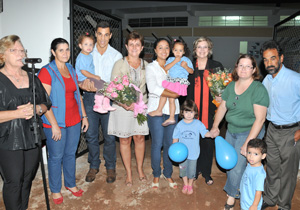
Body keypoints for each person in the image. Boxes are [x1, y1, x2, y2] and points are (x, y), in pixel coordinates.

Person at [210, 54, 269, 210]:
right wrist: (216, 126)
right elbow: (223, 107)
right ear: (236, 67)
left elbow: (260, 119)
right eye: (240, 65)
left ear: (254, 69)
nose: (243, 69)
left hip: (250, 131)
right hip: (231, 131)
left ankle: (231, 199)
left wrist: (247, 143)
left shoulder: (258, 89)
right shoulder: (231, 86)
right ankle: (238, 189)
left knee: (236, 167)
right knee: (229, 165)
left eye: (247, 66)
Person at [0, 35, 51, 209]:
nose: (20, 53)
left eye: (22, 50)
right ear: (2, 55)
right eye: (13, 50)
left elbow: (46, 103)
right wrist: (16, 113)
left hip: (31, 134)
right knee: (14, 180)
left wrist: (37, 109)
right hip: (7, 139)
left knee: (28, 178)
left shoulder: (32, 77)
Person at [38, 38, 89, 204]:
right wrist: (54, 125)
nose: (65, 53)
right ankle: (55, 189)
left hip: (74, 118)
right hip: (55, 121)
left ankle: (70, 184)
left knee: (70, 154)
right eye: (61, 50)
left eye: (67, 49)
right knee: (55, 156)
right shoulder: (47, 71)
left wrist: (84, 116)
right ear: (53, 52)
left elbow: (77, 95)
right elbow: (44, 103)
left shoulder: (70, 68)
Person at [260, 40, 300, 210]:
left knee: (288, 172)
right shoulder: (266, 80)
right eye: (266, 60)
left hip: (291, 132)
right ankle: (270, 198)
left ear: (281, 58)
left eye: (273, 58)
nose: (269, 63)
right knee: (272, 168)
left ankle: (284, 205)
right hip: (272, 130)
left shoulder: (295, 79)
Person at [82, 21, 122, 183]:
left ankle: (110, 167)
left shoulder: (116, 56)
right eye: (100, 34)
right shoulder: (86, 53)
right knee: (91, 135)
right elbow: (78, 75)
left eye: (106, 34)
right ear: (95, 34)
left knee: (109, 136)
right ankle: (94, 165)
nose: (103, 38)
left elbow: (118, 82)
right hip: (90, 98)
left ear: (110, 36)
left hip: (109, 98)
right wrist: (81, 83)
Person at [107, 31, 148, 186]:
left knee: (139, 137)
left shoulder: (146, 65)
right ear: (126, 46)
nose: (134, 47)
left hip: (140, 105)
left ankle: (140, 169)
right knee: (125, 139)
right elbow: (112, 88)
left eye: (137, 44)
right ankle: (129, 174)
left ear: (142, 47)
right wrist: (124, 103)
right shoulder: (119, 63)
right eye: (131, 44)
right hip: (122, 107)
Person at [187, 36, 224, 185]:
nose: (202, 50)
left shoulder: (216, 66)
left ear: (209, 50)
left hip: (210, 111)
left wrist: (222, 96)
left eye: (205, 47)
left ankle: (207, 173)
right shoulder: (189, 67)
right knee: (193, 142)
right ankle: (195, 171)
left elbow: (222, 87)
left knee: (208, 143)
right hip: (192, 112)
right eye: (199, 47)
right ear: (195, 50)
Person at [146, 38, 179, 189]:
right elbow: (153, 88)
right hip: (156, 110)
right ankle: (156, 174)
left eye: (167, 48)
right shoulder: (151, 67)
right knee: (157, 144)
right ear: (155, 50)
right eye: (160, 47)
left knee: (169, 144)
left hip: (172, 110)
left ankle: (168, 173)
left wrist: (177, 91)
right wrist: (173, 93)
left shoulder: (174, 65)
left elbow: (181, 82)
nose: (164, 50)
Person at [149, 40, 193, 126]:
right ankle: (159, 110)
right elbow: (165, 68)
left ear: (184, 52)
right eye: (176, 50)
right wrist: (175, 61)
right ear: (173, 50)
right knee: (164, 94)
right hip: (172, 81)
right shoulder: (171, 59)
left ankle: (171, 117)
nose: (178, 53)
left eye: (180, 51)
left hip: (180, 82)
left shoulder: (186, 60)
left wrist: (186, 66)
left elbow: (191, 71)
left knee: (171, 99)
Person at [173, 100, 212, 195]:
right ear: (182, 112)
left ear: (195, 112)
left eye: (191, 112)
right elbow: (175, 138)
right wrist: (174, 149)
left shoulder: (198, 123)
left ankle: (190, 184)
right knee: (183, 171)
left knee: (191, 172)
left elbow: (204, 133)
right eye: (186, 112)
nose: (189, 114)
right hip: (182, 155)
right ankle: (185, 184)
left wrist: (211, 134)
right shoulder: (180, 125)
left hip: (194, 153)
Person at [75, 32, 115, 113]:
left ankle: (106, 104)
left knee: (106, 85)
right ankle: (97, 105)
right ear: (80, 46)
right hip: (84, 79)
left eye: (90, 44)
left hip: (89, 77)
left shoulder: (89, 55)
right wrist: (94, 76)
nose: (89, 47)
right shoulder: (81, 57)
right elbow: (83, 71)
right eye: (86, 44)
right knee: (101, 87)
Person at [240, 139, 267, 210]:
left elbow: (259, 192)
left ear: (263, 156)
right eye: (249, 152)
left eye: (256, 154)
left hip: (251, 204)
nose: (251, 156)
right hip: (245, 200)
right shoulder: (250, 164)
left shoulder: (259, 174)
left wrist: (254, 205)